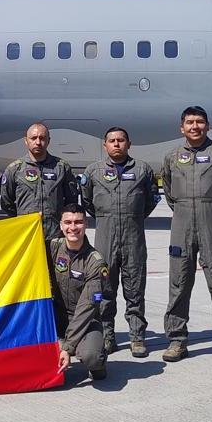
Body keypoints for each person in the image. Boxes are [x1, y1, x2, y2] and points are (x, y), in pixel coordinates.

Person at [160, 106, 212, 367]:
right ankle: (177, 339)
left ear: (208, 126)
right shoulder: (172, 156)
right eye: (189, 122)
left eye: (199, 122)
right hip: (181, 222)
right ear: (181, 127)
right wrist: (185, 208)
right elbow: (169, 192)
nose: (194, 126)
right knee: (179, 283)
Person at [80, 127, 158, 357]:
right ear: (105, 145)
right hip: (105, 237)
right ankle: (107, 336)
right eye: (112, 141)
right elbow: (87, 201)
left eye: (121, 140)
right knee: (105, 290)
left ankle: (137, 337)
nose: (117, 144)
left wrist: (133, 217)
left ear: (129, 144)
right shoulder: (93, 171)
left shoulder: (143, 170)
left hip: (134, 239)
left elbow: (151, 199)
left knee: (135, 290)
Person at [50, 204, 107, 381]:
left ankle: (98, 361)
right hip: (57, 318)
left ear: (86, 224)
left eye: (78, 222)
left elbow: (86, 309)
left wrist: (66, 348)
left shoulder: (95, 262)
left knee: (92, 357)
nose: (72, 227)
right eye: (67, 222)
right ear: (60, 225)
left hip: (85, 319)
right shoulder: (52, 247)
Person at [1, 122, 78, 242]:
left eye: (42, 138)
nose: (38, 142)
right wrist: (23, 219)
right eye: (33, 138)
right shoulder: (15, 169)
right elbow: (7, 202)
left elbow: (71, 200)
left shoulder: (61, 167)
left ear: (48, 141)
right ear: (26, 141)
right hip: (26, 234)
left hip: (55, 235)